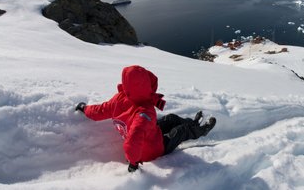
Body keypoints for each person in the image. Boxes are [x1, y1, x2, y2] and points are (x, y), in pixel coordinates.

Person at [74, 65, 216, 172]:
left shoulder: (120, 99)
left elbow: (99, 110)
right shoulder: (145, 111)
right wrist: (133, 162)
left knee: (171, 118)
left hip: (149, 134)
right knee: (181, 131)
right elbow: (133, 139)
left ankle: (193, 122)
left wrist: (84, 109)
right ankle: (202, 130)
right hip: (153, 150)